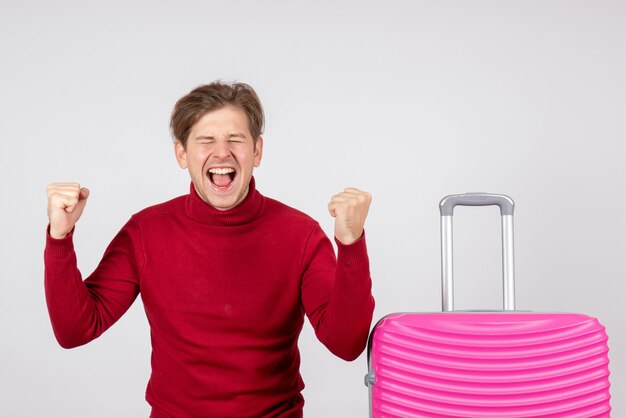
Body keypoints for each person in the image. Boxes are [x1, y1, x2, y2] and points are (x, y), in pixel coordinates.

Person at [44, 81, 375, 417]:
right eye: (206, 141)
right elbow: (75, 330)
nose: (221, 153)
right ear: (182, 154)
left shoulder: (300, 235)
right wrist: (60, 237)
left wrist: (350, 244)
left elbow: (346, 344)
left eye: (235, 140)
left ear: (257, 151)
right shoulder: (145, 232)